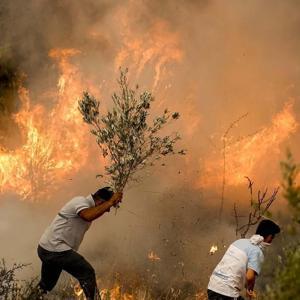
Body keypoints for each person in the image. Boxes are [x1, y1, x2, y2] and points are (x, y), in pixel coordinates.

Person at [36, 187, 123, 299]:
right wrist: (111, 202)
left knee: (46, 285)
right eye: (106, 207)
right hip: (55, 249)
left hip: (47, 248)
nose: (108, 210)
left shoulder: (87, 206)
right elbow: (88, 216)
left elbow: (94, 213)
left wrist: (110, 203)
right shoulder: (80, 202)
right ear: (101, 201)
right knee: (87, 273)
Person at [207, 219, 281, 300]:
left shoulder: (239, 242)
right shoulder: (257, 252)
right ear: (269, 236)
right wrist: (250, 289)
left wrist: (246, 286)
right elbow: (249, 277)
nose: (271, 240)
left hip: (212, 286)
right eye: (272, 237)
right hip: (226, 293)